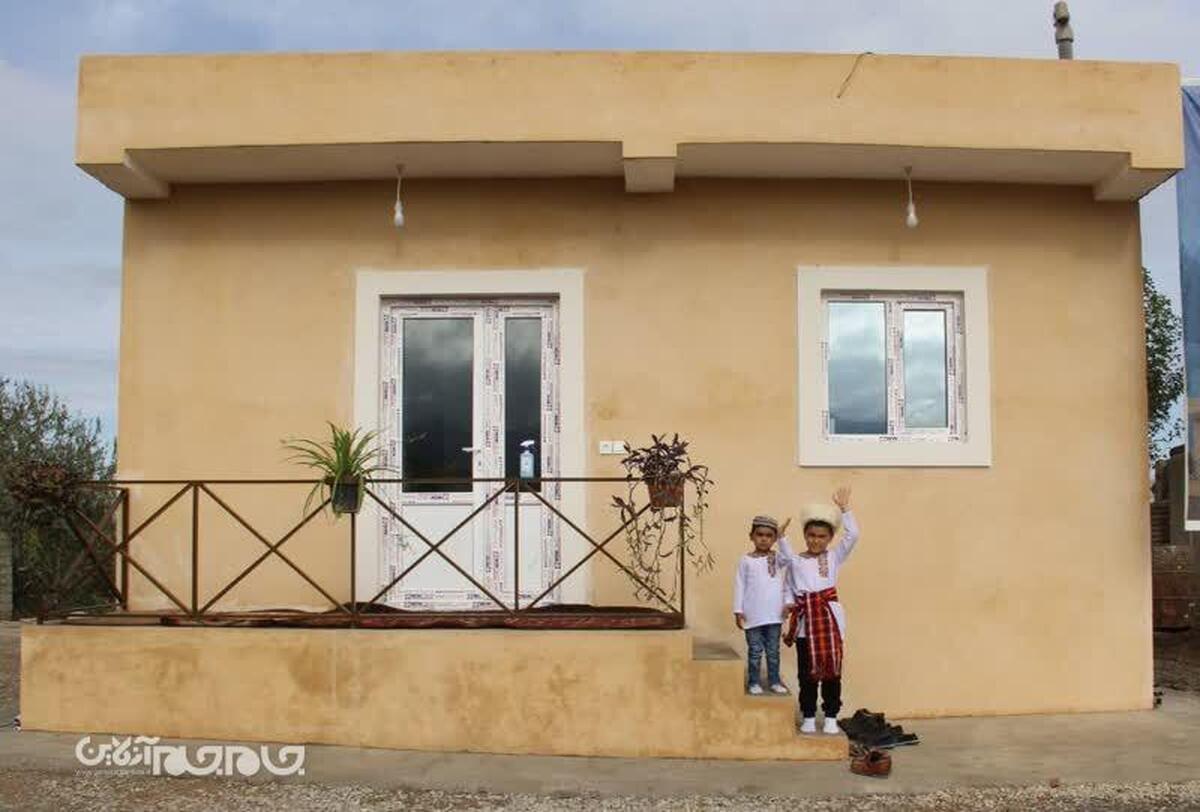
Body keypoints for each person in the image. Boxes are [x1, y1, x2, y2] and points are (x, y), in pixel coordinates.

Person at [778, 486, 858, 734]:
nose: (816, 540)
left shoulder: (834, 558)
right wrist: (788, 605)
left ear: (830, 538)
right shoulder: (795, 561)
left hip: (829, 622)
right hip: (805, 626)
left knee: (832, 671)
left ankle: (832, 715)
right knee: (807, 674)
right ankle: (809, 715)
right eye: (811, 535)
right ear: (805, 535)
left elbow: (853, 535)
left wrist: (845, 510)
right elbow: (788, 587)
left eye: (822, 536)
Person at [733, 514, 792, 695]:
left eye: (769, 535)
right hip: (753, 615)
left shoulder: (777, 558)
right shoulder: (746, 560)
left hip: (774, 615)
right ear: (751, 536)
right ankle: (753, 682)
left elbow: (790, 558)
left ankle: (774, 681)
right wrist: (738, 610)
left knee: (773, 651)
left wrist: (783, 537)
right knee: (755, 651)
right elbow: (740, 584)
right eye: (760, 534)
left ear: (773, 539)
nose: (764, 539)